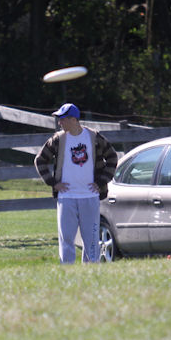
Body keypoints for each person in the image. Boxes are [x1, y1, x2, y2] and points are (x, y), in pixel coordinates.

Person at [34, 103, 118, 264]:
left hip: (90, 196)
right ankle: (67, 270)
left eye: (62, 119)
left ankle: (91, 270)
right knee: (66, 239)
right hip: (66, 197)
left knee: (91, 239)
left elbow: (112, 157)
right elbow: (40, 160)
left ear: (74, 120)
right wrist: (53, 183)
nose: (59, 123)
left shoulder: (94, 137)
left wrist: (101, 181)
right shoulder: (58, 139)